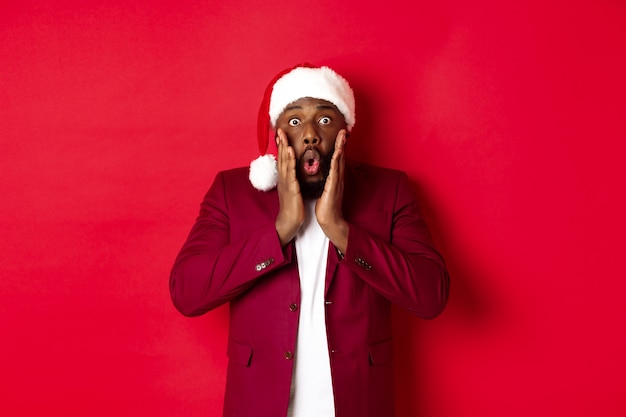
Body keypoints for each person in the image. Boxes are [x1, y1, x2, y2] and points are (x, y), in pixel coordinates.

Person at [169, 64, 450, 417]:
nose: (311, 134)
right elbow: (187, 292)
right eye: (296, 120)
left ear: (344, 132)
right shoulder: (232, 192)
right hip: (259, 406)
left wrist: (340, 230)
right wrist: (281, 229)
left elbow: (430, 296)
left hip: (358, 404)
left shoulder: (389, 191)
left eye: (326, 120)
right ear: (277, 134)